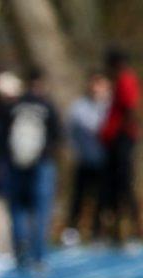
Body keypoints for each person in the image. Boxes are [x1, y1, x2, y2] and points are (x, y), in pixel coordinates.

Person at [5, 70, 61, 274]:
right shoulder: (47, 106)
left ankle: (21, 254)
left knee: (18, 209)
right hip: (42, 164)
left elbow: (1, 136)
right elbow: (57, 135)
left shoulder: (13, 106)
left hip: (15, 165)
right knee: (41, 211)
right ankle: (39, 257)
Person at [64, 71, 111, 244]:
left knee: (102, 197)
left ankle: (98, 232)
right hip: (84, 159)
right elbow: (71, 132)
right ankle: (72, 230)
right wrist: (76, 151)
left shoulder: (111, 106)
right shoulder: (79, 106)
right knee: (79, 196)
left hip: (105, 160)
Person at [100, 49, 141, 243]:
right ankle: (119, 229)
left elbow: (130, 107)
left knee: (123, 183)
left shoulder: (125, 80)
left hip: (122, 138)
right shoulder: (120, 81)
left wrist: (124, 131)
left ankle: (132, 226)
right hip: (116, 138)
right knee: (116, 185)